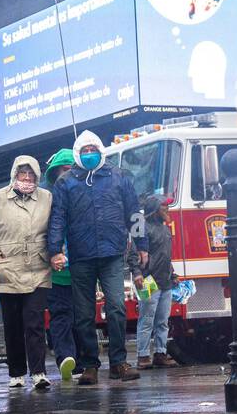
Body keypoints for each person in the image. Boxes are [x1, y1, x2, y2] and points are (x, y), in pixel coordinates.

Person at [47, 130, 144, 384]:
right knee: (84, 313)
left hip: (112, 254)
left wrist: (142, 244)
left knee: (116, 308)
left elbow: (135, 212)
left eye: (93, 150)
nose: (89, 154)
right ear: (78, 154)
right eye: (85, 151)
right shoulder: (65, 182)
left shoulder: (118, 176)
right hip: (81, 256)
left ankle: (119, 363)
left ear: (101, 151)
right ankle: (89, 365)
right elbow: (57, 218)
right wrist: (55, 249)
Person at [0, 156, 54, 389]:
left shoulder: (46, 198)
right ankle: (16, 374)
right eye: (23, 173)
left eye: (31, 173)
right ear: (14, 174)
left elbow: (55, 227)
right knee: (12, 324)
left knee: (34, 322)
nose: (27, 178)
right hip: (7, 271)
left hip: (38, 269)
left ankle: (39, 372)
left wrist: (56, 251)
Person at [43, 148, 86, 380]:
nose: (68, 175)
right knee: (61, 315)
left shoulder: (89, 199)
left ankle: (82, 361)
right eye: (64, 170)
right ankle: (66, 359)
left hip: (83, 271)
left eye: (72, 170)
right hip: (57, 272)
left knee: (82, 317)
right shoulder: (46, 202)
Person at [130, 195, 180, 371]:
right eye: (163, 206)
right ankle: (143, 356)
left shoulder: (165, 230)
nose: (167, 209)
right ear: (154, 210)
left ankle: (160, 353)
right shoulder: (143, 229)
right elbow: (133, 254)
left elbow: (166, 255)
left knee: (162, 321)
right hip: (148, 281)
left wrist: (172, 274)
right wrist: (137, 273)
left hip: (165, 282)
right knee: (146, 320)